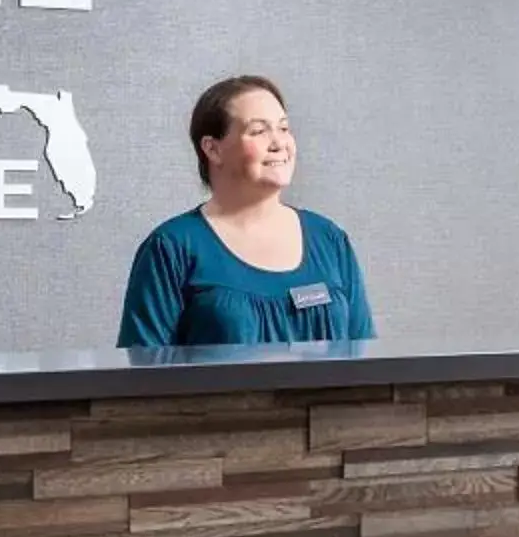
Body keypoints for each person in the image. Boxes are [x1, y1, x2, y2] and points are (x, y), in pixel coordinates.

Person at [117, 75, 376, 348]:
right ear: (212, 149)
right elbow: (142, 379)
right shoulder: (171, 248)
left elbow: (367, 363)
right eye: (258, 131)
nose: (279, 143)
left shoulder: (330, 240)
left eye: (284, 128)